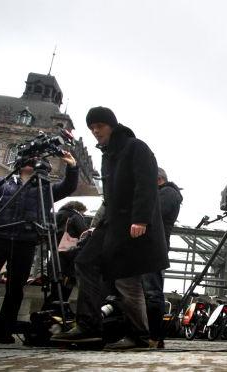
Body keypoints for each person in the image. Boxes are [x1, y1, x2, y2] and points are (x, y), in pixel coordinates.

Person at [53, 106, 168, 350]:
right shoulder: (107, 155)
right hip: (113, 225)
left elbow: (146, 184)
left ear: (112, 126)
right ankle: (90, 326)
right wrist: (97, 226)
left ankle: (139, 334)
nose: (95, 131)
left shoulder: (135, 147)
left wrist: (141, 219)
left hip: (132, 225)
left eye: (100, 126)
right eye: (92, 128)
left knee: (127, 282)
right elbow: (111, 198)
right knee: (86, 261)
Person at [0, 152, 78, 344]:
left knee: (16, 288)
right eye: (28, 159)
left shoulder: (44, 187)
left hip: (25, 239)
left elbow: (68, 187)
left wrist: (72, 168)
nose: (31, 161)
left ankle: (5, 331)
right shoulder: (3, 182)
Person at [142, 167, 182, 348]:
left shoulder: (168, 193)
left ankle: (155, 336)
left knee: (152, 292)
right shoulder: (165, 193)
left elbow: (152, 214)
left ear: (158, 180)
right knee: (149, 291)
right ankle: (152, 336)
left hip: (153, 247)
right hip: (151, 247)